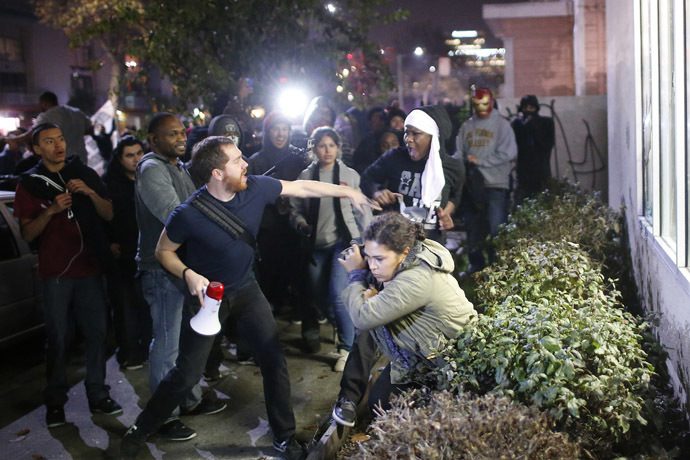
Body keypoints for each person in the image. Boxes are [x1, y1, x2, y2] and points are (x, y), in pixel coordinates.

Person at [119, 135, 379, 460]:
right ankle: (140, 429)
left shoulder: (255, 187)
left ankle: (284, 438)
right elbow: (163, 251)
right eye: (237, 160)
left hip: (246, 290)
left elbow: (301, 188)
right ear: (216, 173)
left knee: (273, 361)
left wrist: (348, 191)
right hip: (209, 301)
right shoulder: (188, 213)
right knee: (186, 375)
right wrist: (188, 274)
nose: (246, 164)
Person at [13, 123, 122, 428]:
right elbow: (27, 232)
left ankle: (98, 393)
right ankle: (55, 402)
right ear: (37, 149)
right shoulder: (30, 184)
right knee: (59, 338)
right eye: (49, 141)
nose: (58, 145)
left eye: (60, 139)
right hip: (56, 273)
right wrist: (50, 211)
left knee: (97, 333)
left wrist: (88, 192)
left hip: (90, 268)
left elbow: (109, 214)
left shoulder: (84, 173)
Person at [331, 212, 476, 426]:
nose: (371, 265)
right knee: (379, 403)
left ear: (404, 252)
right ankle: (350, 396)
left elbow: (363, 317)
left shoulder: (417, 277)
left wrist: (356, 275)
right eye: (368, 257)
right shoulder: (402, 260)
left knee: (392, 409)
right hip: (421, 354)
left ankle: (438, 402)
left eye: (379, 259)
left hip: (451, 364)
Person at [135, 113, 223, 442]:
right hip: (162, 270)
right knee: (167, 345)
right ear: (153, 139)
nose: (180, 138)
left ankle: (186, 399)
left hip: (185, 268)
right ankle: (163, 416)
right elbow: (176, 215)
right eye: (171, 134)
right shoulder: (151, 169)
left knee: (187, 342)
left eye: (182, 132)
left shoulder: (178, 167)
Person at [289, 127, 371, 369]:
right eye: (322, 145)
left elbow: (361, 210)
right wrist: (300, 223)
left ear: (338, 148)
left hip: (343, 242)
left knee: (338, 294)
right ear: (314, 148)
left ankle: (347, 349)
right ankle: (339, 325)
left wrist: (363, 242)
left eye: (331, 145)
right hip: (315, 242)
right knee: (317, 294)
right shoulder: (306, 175)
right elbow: (294, 208)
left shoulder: (349, 175)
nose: (327, 150)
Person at [361, 105, 464, 243]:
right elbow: (366, 179)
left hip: (432, 245)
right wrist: (377, 192)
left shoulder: (453, 167)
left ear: (433, 137)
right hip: (395, 245)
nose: (408, 139)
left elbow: (455, 196)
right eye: (406, 132)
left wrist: (447, 213)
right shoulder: (394, 157)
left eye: (415, 133)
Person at [247, 111, 308, 316]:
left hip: (294, 222)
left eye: (284, 129)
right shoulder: (256, 160)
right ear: (267, 132)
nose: (280, 134)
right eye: (275, 129)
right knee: (268, 267)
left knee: (293, 265)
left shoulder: (298, 157)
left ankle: (291, 303)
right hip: (267, 224)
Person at [102, 136, 151, 370]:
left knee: (148, 306)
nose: (136, 159)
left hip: (149, 254)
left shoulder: (152, 178)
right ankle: (130, 353)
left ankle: (148, 348)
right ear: (120, 159)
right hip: (123, 257)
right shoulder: (109, 184)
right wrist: (109, 243)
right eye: (130, 155)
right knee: (125, 308)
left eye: (140, 152)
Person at [456, 88, 517, 272]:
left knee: (496, 229)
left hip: (495, 185)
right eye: (477, 104)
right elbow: (459, 153)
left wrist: (481, 161)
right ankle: (476, 265)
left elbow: (509, 153)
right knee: (473, 228)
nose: (480, 108)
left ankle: (498, 267)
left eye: (484, 104)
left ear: (491, 103)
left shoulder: (502, 125)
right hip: (472, 186)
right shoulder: (467, 126)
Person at [511, 94, 555, 204]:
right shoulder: (518, 124)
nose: (528, 111)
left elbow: (547, 145)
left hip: (541, 173)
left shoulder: (546, 123)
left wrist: (533, 128)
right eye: (526, 108)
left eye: (531, 108)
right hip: (523, 175)